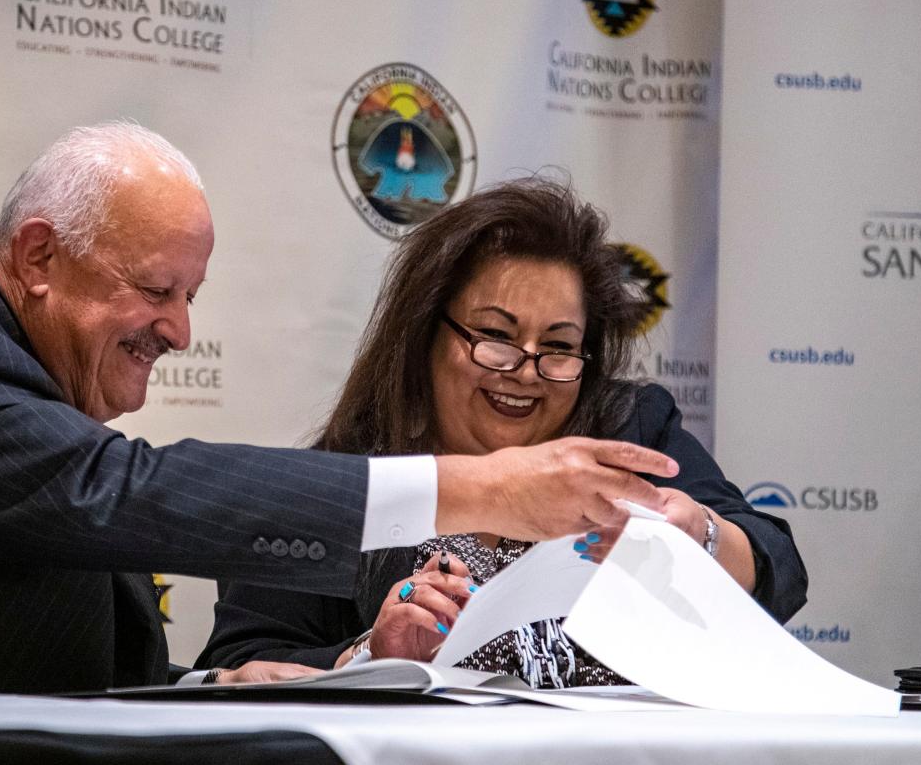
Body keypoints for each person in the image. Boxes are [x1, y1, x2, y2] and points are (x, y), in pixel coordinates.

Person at [0, 125, 680, 695]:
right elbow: (125, 494)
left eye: (190, 296)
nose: (177, 330)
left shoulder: (45, 412)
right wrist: (480, 491)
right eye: (154, 289)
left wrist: (209, 688)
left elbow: (53, 665)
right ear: (38, 258)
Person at [198, 180, 807, 685]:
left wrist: (697, 535)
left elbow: (779, 567)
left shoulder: (631, 431)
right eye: (496, 336)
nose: (526, 370)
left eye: (560, 347)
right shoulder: (346, 481)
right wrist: (369, 658)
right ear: (426, 333)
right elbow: (232, 666)